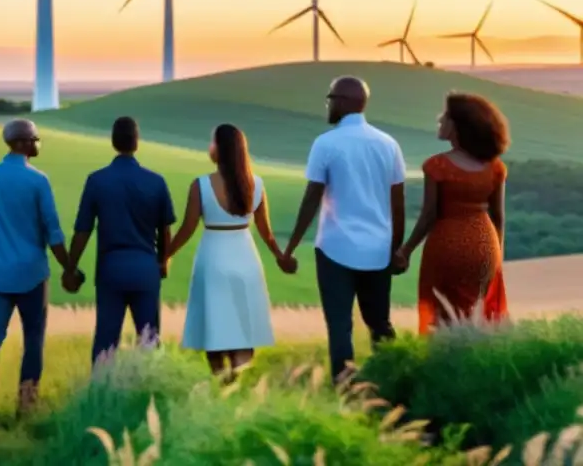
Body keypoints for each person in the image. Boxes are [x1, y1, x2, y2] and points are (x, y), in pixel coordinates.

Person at [279, 76, 406, 384]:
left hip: (335, 248)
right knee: (380, 323)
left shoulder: (326, 143)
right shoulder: (388, 144)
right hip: (378, 249)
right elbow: (397, 203)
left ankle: (345, 387)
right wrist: (399, 250)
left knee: (339, 325)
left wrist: (291, 246)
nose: (328, 104)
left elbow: (312, 198)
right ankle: (394, 381)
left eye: (331, 98)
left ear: (346, 102)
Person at [0, 119, 75, 435]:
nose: (39, 143)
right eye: (36, 139)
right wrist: (68, 267)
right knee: (33, 338)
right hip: (32, 276)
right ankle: (26, 406)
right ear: (25, 143)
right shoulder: (38, 181)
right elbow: (53, 232)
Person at [167, 124, 285, 381]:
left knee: (216, 325)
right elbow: (267, 232)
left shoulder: (201, 185)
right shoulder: (256, 184)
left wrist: (165, 254)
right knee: (243, 326)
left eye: (212, 142)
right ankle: (238, 382)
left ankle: (221, 382)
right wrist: (280, 256)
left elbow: (187, 228)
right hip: (246, 257)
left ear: (220, 150)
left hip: (213, 256)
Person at [392, 93, 511, 333]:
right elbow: (498, 216)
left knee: (443, 316)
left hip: (447, 244)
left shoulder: (437, 166)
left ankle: (444, 360)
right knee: (476, 315)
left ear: (457, 126)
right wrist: (497, 256)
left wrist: (406, 250)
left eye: (445, 116)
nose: (439, 119)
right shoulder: (495, 166)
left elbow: (429, 215)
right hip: (485, 244)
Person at [65, 116, 176, 364]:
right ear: (137, 142)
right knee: (149, 342)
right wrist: (163, 260)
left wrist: (70, 268)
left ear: (113, 142)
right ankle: (151, 397)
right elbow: (165, 231)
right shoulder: (156, 182)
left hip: (111, 268)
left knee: (106, 342)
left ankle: (101, 398)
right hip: (146, 268)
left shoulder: (97, 181)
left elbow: (83, 231)